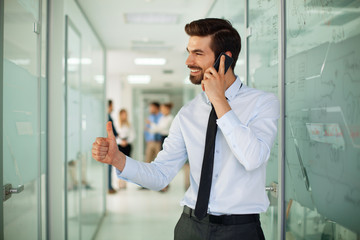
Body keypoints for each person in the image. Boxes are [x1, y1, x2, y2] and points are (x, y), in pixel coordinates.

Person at [92, 18, 279, 240]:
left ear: (225, 59)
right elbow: (161, 175)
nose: (189, 61)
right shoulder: (188, 113)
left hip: (240, 230)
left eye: (198, 53)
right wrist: (118, 160)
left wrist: (219, 101)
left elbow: (253, 158)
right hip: (190, 227)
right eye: (189, 52)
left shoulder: (262, 103)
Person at [116, 109, 135, 189]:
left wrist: (127, 141)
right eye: (123, 114)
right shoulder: (117, 124)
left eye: (125, 114)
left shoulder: (129, 124)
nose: (124, 116)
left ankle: (125, 182)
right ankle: (120, 182)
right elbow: (115, 136)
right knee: (119, 164)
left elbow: (133, 135)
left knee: (127, 164)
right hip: (120, 145)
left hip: (127, 145)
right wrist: (121, 141)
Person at [107, 100, 118, 194]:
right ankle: (108, 187)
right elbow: (113, 131)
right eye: (112, 105)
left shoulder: (108, 116)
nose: (113, 107)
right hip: (107, 145)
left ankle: (109, 186)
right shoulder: (107, 116)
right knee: (108, 168)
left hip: (108, 144)